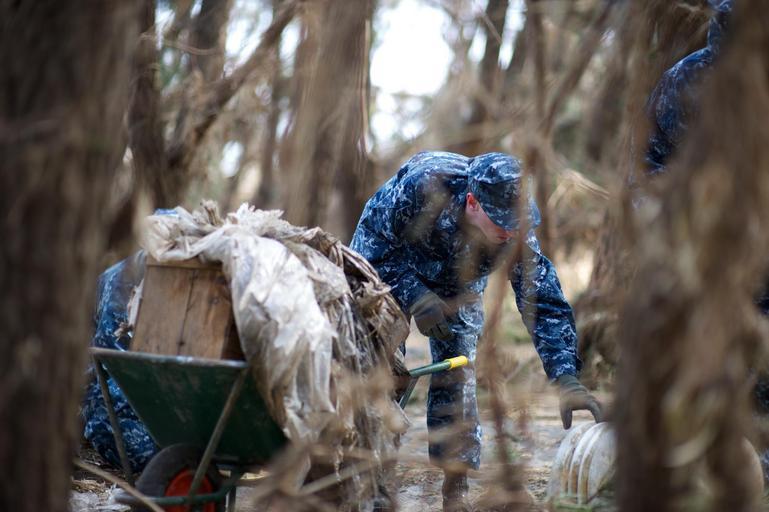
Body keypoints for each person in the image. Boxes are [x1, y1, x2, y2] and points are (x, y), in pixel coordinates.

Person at [351, 151, 602, 511]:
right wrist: (415, 296)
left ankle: (456, 490)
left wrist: (565, 376)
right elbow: (372, 254)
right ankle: (371, 484)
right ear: (472, 202)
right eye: (502, 222)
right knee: (379, 368)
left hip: (459, 279)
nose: (511, 232)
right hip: (390, 265)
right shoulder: (423, 187)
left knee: (458, 370)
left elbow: (541, 299)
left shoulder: (515, 232)